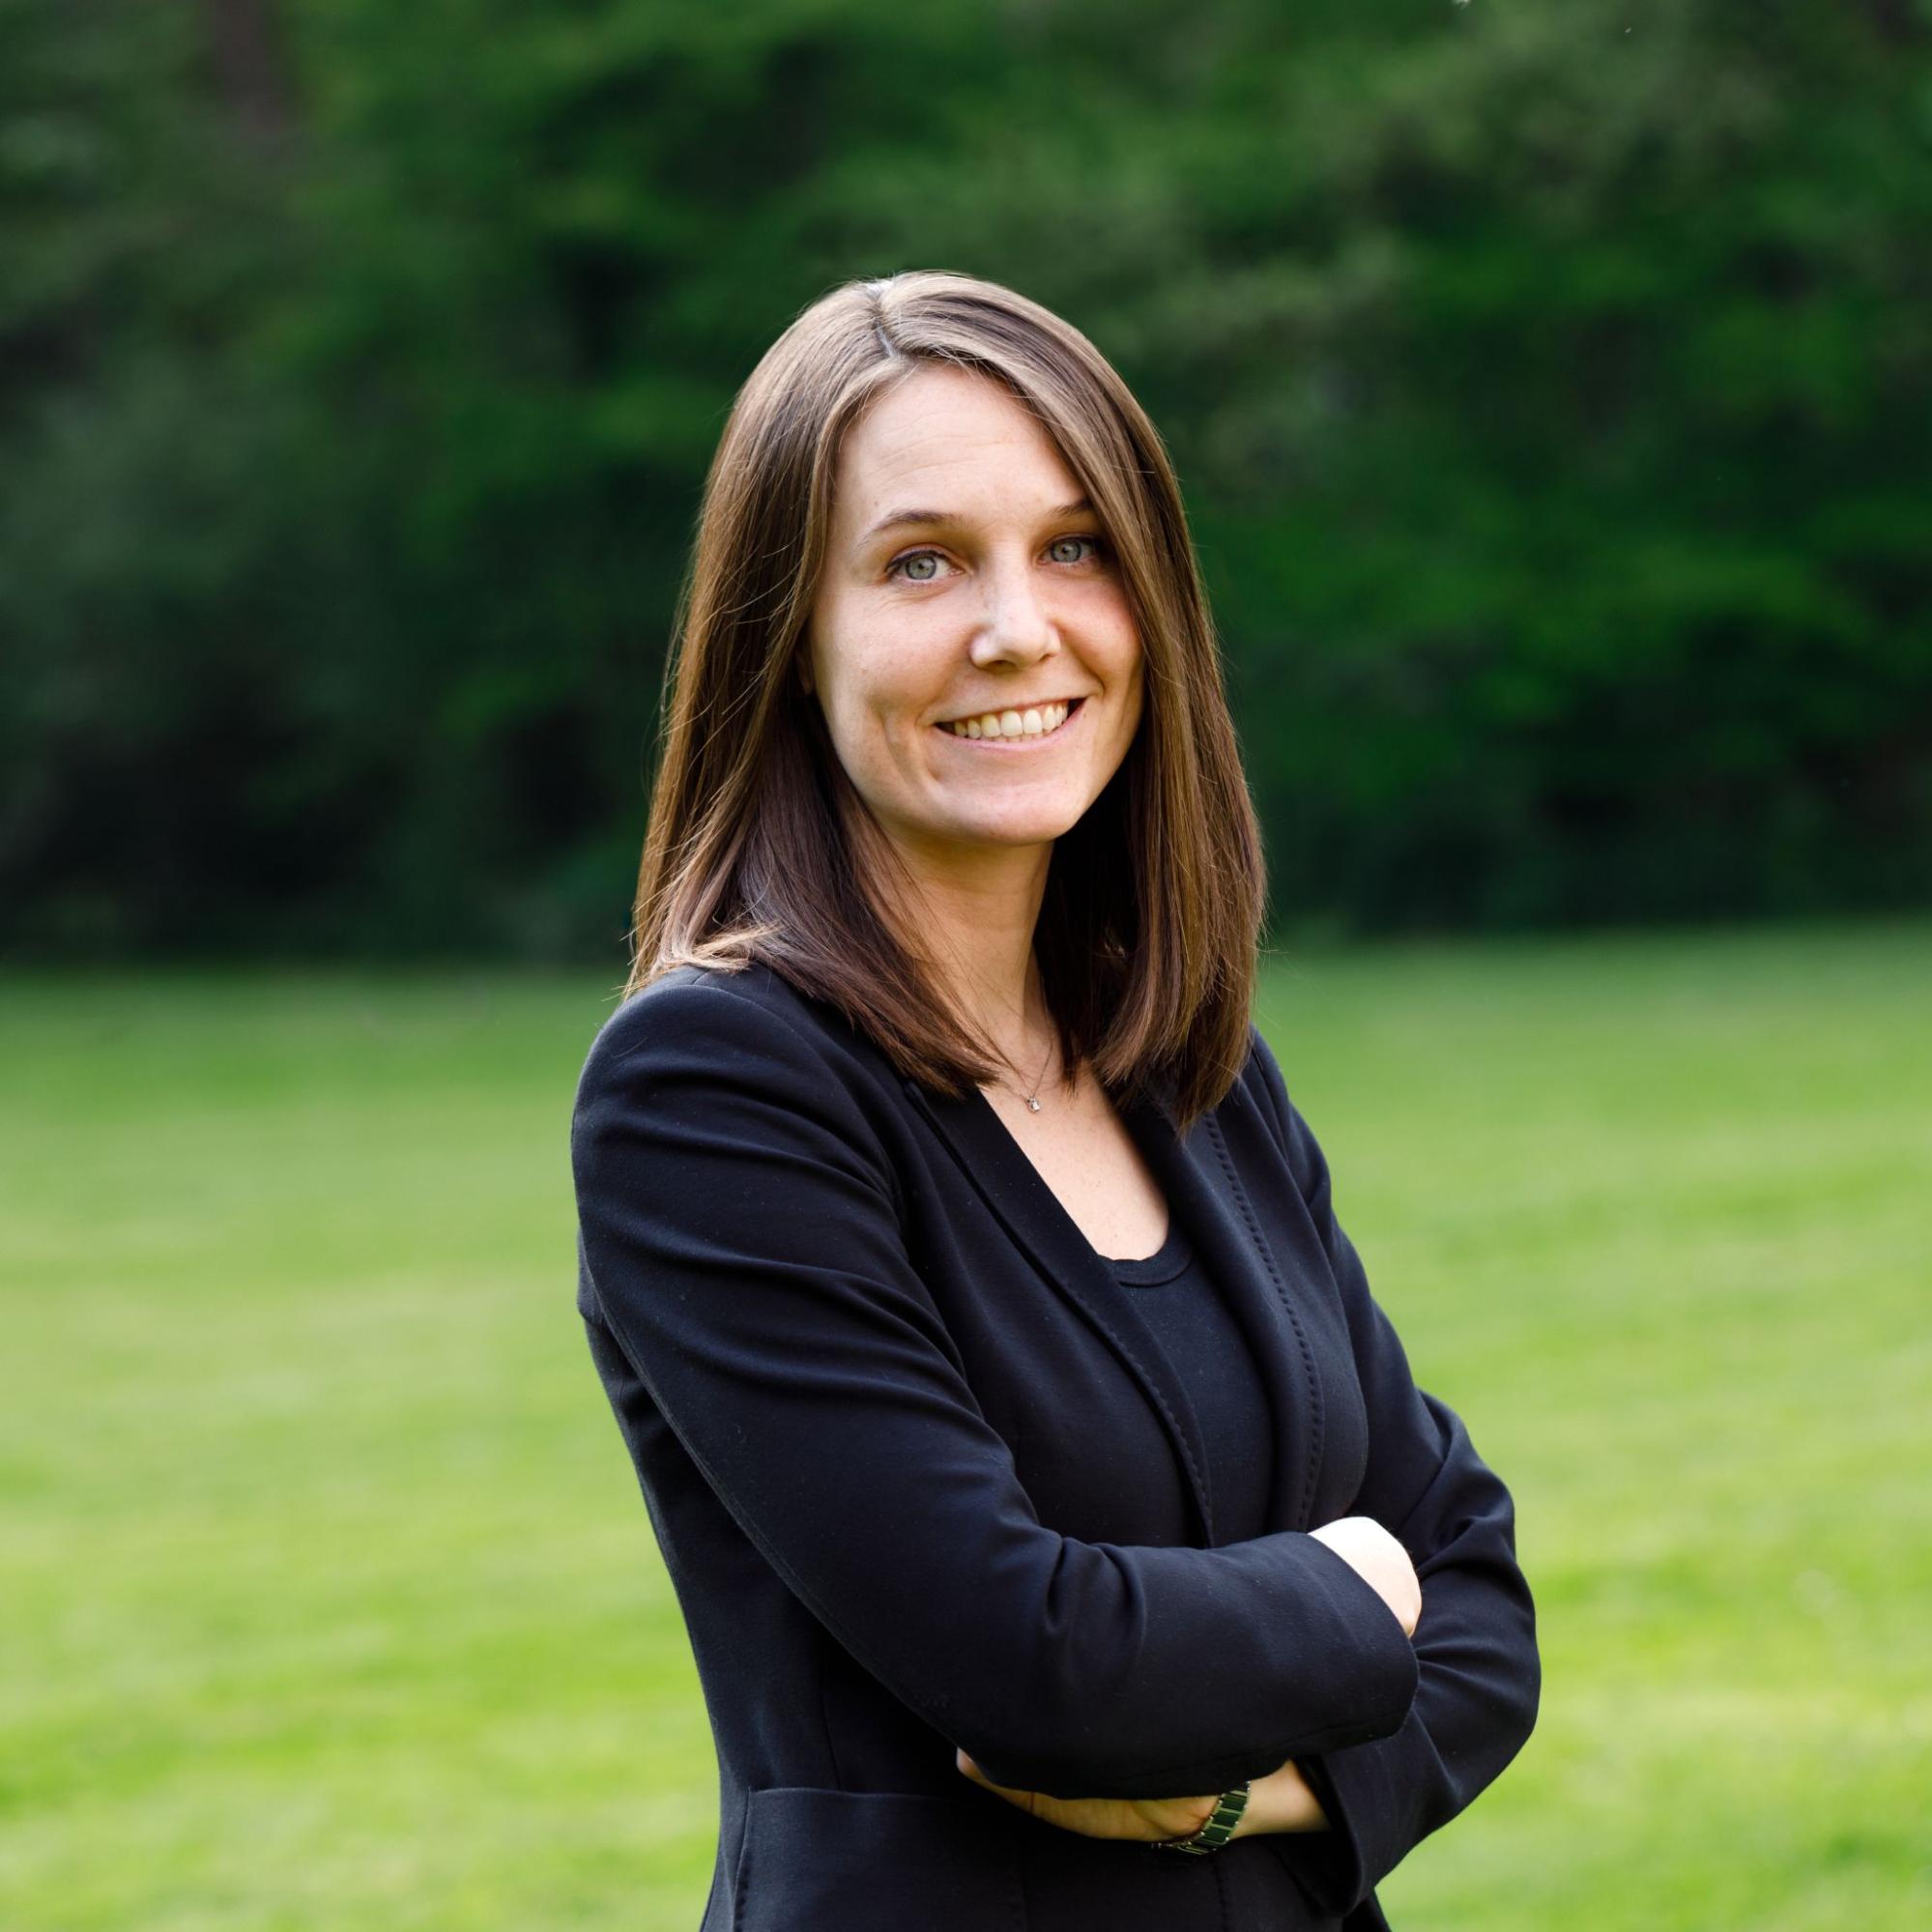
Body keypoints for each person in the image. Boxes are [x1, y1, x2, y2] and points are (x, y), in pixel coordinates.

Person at [568, 269, 1539, 1931]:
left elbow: (1482, 1607)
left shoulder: (1188, 1068)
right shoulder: (713, 1089)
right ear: (787, 639)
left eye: (1076, 546)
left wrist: (1244, 1793)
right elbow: (1029, 1662)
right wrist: (1351, 1590)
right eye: (922, 561)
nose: (1019, 627)